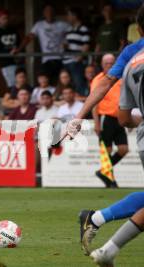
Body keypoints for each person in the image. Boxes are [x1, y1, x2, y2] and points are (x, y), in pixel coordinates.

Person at [80, 46, 144, 266]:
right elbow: (99, 98)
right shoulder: (104, 76)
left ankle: (97, 220)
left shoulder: (129, 65)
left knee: (122, 151)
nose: (109, 66)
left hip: (132, 126)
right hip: (107, 118)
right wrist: (93, 120)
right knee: (106, 153)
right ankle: (105, 174)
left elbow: (125, 117)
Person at [66, 5, 144, 138]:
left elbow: (124, 119)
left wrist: (78, 117)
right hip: (108, 118)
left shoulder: (130, 56)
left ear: (139, 30)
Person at [91, 54, 128, 188]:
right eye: (107, 63)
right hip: (106, 118)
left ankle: (103, 172)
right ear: (102, 64)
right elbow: (94, 102)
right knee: (107, 150)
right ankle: (110, 180)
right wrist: (96, 122)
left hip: (119, 117)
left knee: (124, 149)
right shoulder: (98, 80)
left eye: (112, 62)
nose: (110, 65)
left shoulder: (120, 78)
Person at [13, 4, 70, 84]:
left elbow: (72, 35)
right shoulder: (39, 25)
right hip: (46, 60)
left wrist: (66, 43)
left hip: (61, 59)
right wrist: (19, 49)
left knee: (61, 82)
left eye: (51, 11)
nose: (49, 13)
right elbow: (29, 37)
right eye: (47, 11)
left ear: (54, 12)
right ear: (44, 13)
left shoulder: (63, 25)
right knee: (44, 81)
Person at [63, 7, 90, 96]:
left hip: (76, 62)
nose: (67, 17)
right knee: (68, 84)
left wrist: (79, 58)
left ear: (75, 16)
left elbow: (86, 45)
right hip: (66, 61)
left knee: (79, 84)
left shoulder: (83, 29)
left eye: (69, 15)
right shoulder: (69, 30)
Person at [0, 9, 20, 87]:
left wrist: (18, 50)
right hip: (6, 62)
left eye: (7, 18)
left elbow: (18, 43)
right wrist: (8, 53)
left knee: (21, 82)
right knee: (13, 85)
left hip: (18, 60)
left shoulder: (13, 29)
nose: (5, 20)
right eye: (3, 18)